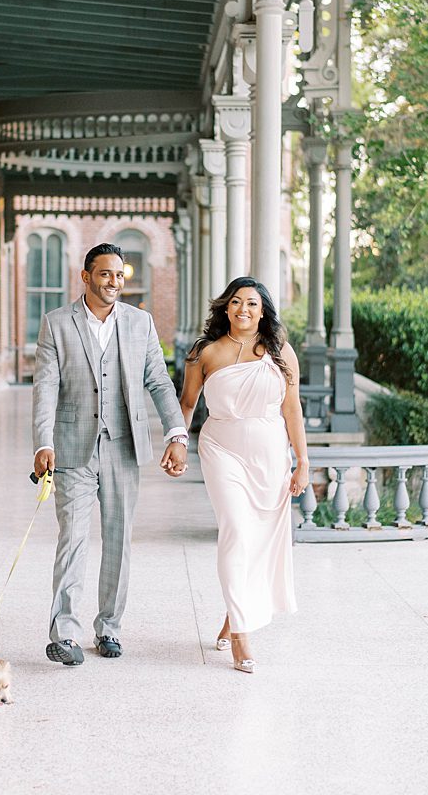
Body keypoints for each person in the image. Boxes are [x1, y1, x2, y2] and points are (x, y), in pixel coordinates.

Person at [31, 243, 188, 666]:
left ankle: (109, 628)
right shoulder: (56, 324)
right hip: (72, 449)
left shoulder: (141, 323)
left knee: (118, 541)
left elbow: (158, 381)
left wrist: (177, 432)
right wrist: (43, 442)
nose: (114, 282)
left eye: (119, 275)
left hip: (123, 447)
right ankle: (64, 633)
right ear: (86, 277)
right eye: (105, 274)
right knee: (73, 539)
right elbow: (46, 387)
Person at [179, 276, 308, 674]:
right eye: (236, 302)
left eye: (252, 304)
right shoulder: (205, 352)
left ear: (263, 310)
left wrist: (302, 461)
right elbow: (187, 403)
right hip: (221, 448)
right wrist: (177, 443)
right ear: (225, 307)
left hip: (270, 456)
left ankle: (233, 615)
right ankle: (241, 636)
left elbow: (292, 410)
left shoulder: (281, 351)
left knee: (258, 543)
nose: (243, 310)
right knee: (236, 529)